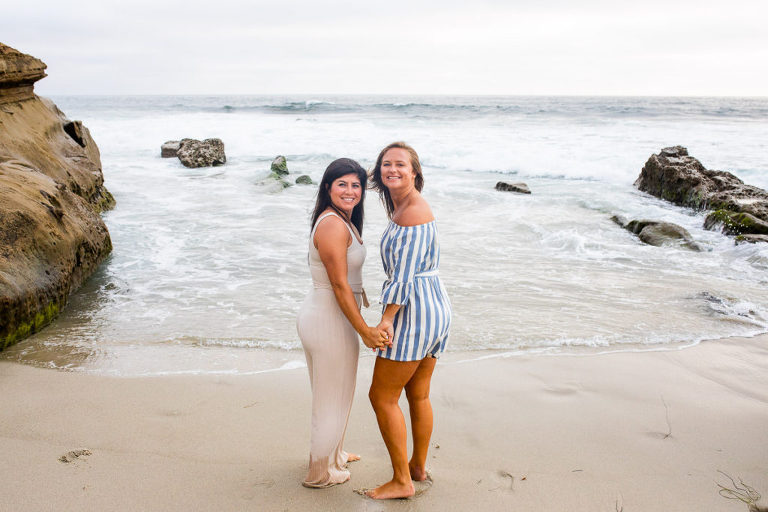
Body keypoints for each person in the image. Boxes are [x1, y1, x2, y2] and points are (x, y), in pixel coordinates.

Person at [296, 158, 390, 488]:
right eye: (342, 184)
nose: (350, 191)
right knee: (330, 397)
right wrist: (364, 330)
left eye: (356, 185)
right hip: (328, 318)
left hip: (328, 314)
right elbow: (338, 284)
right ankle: (320, 472)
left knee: (336, 393)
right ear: (327, 187)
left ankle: (333, 453)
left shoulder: (340, 219)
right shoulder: (333, 224)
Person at [366, 142, 452, 499]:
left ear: (415, 171)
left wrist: (386, 319)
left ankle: (402, 481)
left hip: (414, 312)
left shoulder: (413, 211)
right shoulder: (401, 205)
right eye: (386, 164)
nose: (392, 169)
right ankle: (417, 467)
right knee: (418, 393)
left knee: (382, 397)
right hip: (433, 307)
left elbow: (402, 276)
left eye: (400, 164)